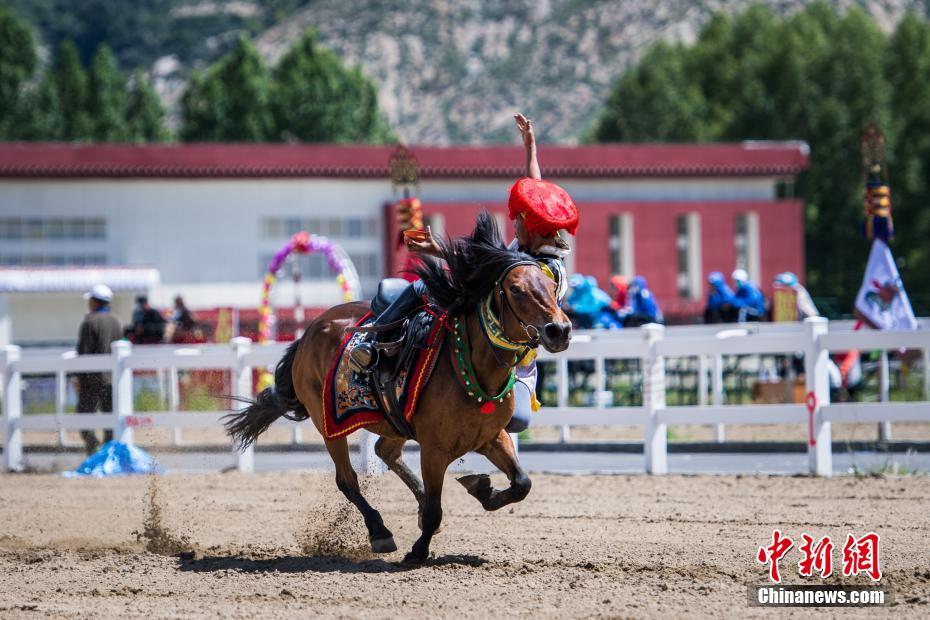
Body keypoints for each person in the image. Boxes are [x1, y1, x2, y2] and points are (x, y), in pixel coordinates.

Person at [351, 112, 578, 434]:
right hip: (502, 341)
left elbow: (481, 266)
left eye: (519, 220)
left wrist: (436, 251)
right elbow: (535, 191)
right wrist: (530, 147)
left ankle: (371, 340)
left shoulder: (538, 270)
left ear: (535, 228)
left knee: (420, 289)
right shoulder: (538, 247)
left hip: (510, 353)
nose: (513, 222)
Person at [76, 284, 123, 455]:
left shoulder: (89, 322)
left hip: (92, 379)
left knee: (83, 416)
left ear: (95, 302)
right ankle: (108, 452)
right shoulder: (117, 321)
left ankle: (94, 448)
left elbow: (84, 353)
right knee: (110, 418)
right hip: (113, 378)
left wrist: (79, 379)